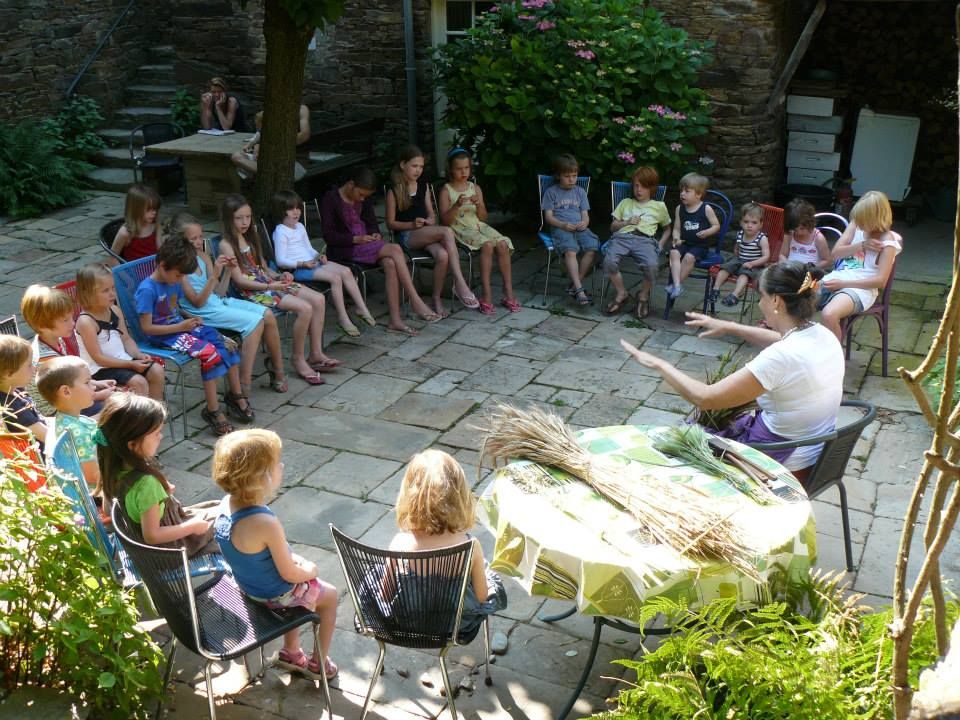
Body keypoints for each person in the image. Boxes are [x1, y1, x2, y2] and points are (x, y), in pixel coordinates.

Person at [621, 261, 844, 477]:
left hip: (779, 462)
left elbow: (706, 398)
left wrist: (660, 364)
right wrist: (730, 327)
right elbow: (779, 339)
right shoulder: (822, 333)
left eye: (762, 297)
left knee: (673, 448)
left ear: (776, 301)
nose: (759, 305)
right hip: (815, 452)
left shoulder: (781, 357)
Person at [213, 429, 339, 681]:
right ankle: (319, 663)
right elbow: (290, 574)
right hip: (274, 596)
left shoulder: (226, 504)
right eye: (276, 463)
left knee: (300, 588)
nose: (281, 465)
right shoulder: (264, 522)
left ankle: (291, 652)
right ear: (261, 478)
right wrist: (310, 570)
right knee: (330, 595)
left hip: (248, 589)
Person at [218, 194, 341, 385]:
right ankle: (298, 359)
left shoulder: (250, 236)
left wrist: (278, 276)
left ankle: (316, 354)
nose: (245, 222)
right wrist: (270, 285)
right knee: (305, 308)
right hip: (254, 292)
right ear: (228, 219)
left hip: (268, 282)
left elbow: (263, 267)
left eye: (248, 217)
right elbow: (240, 281)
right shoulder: (226, 245)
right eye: (239, 218)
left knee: (318, 299)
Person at [134, 237, 251, 435]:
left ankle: (235, 394)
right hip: (163, 336)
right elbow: (147, 328)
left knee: (228, 344)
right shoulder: (147, 289)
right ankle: (213, 410)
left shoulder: (174, 280)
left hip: (181, 327)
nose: (181, 280)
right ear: (163, 266)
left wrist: (190, 318)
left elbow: (174, 309)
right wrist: (181, 325)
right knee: (209, 353)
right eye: (179, 275)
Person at [388, 449, 507, 640]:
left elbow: (385, 595)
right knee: (486, 571)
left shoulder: (400, 542)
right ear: (459, 497)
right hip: (456, 626)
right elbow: (482, 598)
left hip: (407, 624)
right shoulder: (469, 545)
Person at [168, 213, 288, 394]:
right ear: (180, 240)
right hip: (202, 313)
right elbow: (198, 302)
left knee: (267, 314)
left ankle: (277, 370)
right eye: (193, 238)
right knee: (255, 323)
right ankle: (242, 386)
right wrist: (215, 275)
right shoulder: (180, 268)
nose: (199, 241)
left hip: (217, 302)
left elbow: (219, 292)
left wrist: (228, 271)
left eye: (201, 236)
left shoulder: (203, 256)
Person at [321, 166, 440, 335]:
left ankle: (395, 321)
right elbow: (329, 236)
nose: (362, 199)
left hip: (367, 245)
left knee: (391, 262)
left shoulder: (364, 200)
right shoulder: (331, 199)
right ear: (350, 184)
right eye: (360, 194)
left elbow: (371, 222)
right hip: (346, 249)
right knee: (395, 249)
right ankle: (415, 301)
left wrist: (375, 233)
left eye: (365, 196)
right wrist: (355, 239)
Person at [98, 393, 219, 556]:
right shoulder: (147, 484)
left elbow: (108, 508)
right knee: (229, 517)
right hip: (169, 550)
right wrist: (193, 527)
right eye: (156, 433)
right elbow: (153, 536)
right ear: (132, 444)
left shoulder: (112, 466)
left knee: (217, 506)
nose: (161, 436)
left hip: (145, 541)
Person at [386, 144, 479, 318]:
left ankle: (436, 298)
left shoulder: (423, 186)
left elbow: (431, 213)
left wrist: (430, 220)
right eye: (414, 166)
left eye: (421, 167)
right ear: (402, 165)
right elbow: (390, 224)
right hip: (407, 236)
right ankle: (459, 282)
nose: (418, 171)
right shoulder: (394, 190)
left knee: (443, 256)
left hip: (425, 232)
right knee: (446, 232)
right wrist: (411, 225)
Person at [271, 189, 376, 337]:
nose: (296, 212)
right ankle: (343, 318)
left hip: (312, 262)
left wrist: (319, 256)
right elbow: (280, 260)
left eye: (297, 208)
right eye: (291, 209)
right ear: (281, 211)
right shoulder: (280, 231)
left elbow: (308, 248)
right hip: (298, 269)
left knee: (346, 271)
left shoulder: (300, 227)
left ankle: (361, 308)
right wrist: (302, 263)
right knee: (335, 278)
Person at [438, 147, 520, 315]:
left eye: (466, 168)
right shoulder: (447, 190)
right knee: (488, 245)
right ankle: (486, 295)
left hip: (477, 225)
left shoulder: (475, 188)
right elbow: (444, 221)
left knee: (503, 243)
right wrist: (456, 206)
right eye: (459, 168)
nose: (463, 172)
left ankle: (508, 291)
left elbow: (483, 218)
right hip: (459, 228)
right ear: (451, 170)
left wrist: (479, 204)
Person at [21, 284, 116, 417]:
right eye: (65, 320)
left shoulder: (56, 339)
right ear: (42, 325)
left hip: (68, 398)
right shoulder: (45, 358)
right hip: (56, 412)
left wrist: (95, 383)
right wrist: (99, 395)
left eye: (71, 317)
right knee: (114, 408)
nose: (72, 323)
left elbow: (70, 378)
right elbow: (67, 394)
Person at [819, 190, 902, 341]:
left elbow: (880, 281)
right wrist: (861, 245)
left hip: (861, 290)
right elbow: (835, 254)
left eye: (865, 221)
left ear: (877, 219)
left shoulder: (887, 242)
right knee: (796, 300)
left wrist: (843, 284)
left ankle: (832, 359)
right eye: (859, 220)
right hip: (837, 278)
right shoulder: (857, 224)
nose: (861, 224)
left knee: (828, 314)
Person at [75, 263, 166, 400]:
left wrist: (138, 354)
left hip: (122, 361)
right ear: (88, 294)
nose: (112, 294)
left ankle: (156, 414)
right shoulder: (86, 322)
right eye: (105, 290)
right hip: (100, 370)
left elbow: (126, 339)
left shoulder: (114, 310)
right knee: (139, 382)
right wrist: (130, 364)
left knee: (157, 371)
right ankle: (141, 418)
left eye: (113, 288)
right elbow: (98, 357)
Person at [602, 166, 671, 319]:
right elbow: (612, 227)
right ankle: (622, 293)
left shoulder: (659, 207)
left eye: (643, 186)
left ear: (652, 188)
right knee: (609, 261)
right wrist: (626, 222)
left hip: (645, 240)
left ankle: (643, 296)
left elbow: (667, 229)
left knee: (652, 266)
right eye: (636, 185)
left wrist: (660, 243)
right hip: (622, 238)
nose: (639, 190)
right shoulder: (626, 203)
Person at [540, 153, 598, 306]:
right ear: (558, 176)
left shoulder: (580, 192)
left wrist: (585, 223)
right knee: (571, 250)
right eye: (567, 176)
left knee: (592, 247)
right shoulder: (551, 192)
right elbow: (548, 217)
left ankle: (574, 284)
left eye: (574, 175)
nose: (572, 179)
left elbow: (585, 215)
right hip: (561, 228)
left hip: (579, 227)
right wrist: (562, 225)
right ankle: (579, 289)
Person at [36, 357, 99, 489]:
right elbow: (93, 476)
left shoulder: (68, 420)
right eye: (87, 382)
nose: (93, 386)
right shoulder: (77, 432)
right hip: (100, 493)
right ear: (66, 391)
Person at [667, 173, 720, 300]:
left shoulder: (706, 208)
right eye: (681, 191)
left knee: (689, 258)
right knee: (674, 253)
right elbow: (676, 228)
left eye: (687, 191)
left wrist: (707, 232)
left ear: (698, 194)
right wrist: (676, 238)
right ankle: (677, 285)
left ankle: (675, 285)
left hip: (700, 245)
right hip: (685, 242)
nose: (682, 194)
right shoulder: (680, 208)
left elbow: (716, 226)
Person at [711, 202, 770, 307]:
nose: (749, 225)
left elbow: (766, 256)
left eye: (754, 222)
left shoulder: (762, 238)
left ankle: (735, 294)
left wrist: (752, 263)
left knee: (744, 275)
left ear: (761, 224)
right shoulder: (740, 234)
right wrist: (735, 258)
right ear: (741, 223)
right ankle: (715, 288)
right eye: (746, 222)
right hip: (739, 260)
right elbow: (737, 248)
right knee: (726, 268)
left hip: (754, 265)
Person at [231, 106, 310, 180]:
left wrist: (268, 146)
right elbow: (258, 138)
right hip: (270, 160)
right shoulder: (272, 109)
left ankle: (260, 174)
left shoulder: (301, 109)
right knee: (237, 157)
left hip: (293, 164)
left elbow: (304, 135)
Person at [0, 335, 47, 442]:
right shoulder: (13, 408)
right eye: (29, 365)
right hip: (45, 456)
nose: (34, 368)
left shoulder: (16, 388)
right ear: (9, 373)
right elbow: (47, 437)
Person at [111, 184, 163, 263]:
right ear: (136, 209)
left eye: (155, 208)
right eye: (149, 209)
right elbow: (112, 258)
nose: (154, 212)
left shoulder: (155, 225)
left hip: (155, 269)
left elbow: (160, 250)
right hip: (134, 272)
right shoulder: (125, 232)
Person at [779, 198, 831, 270]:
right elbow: (782, 254)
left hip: (810, 273)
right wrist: (786, 265)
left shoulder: (818, 238)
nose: (798, 233)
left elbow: (827, 261)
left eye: (802, 229)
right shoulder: (789, 234)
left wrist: (810, 269)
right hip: (792, 270)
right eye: (795, 229)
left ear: (810, 223)